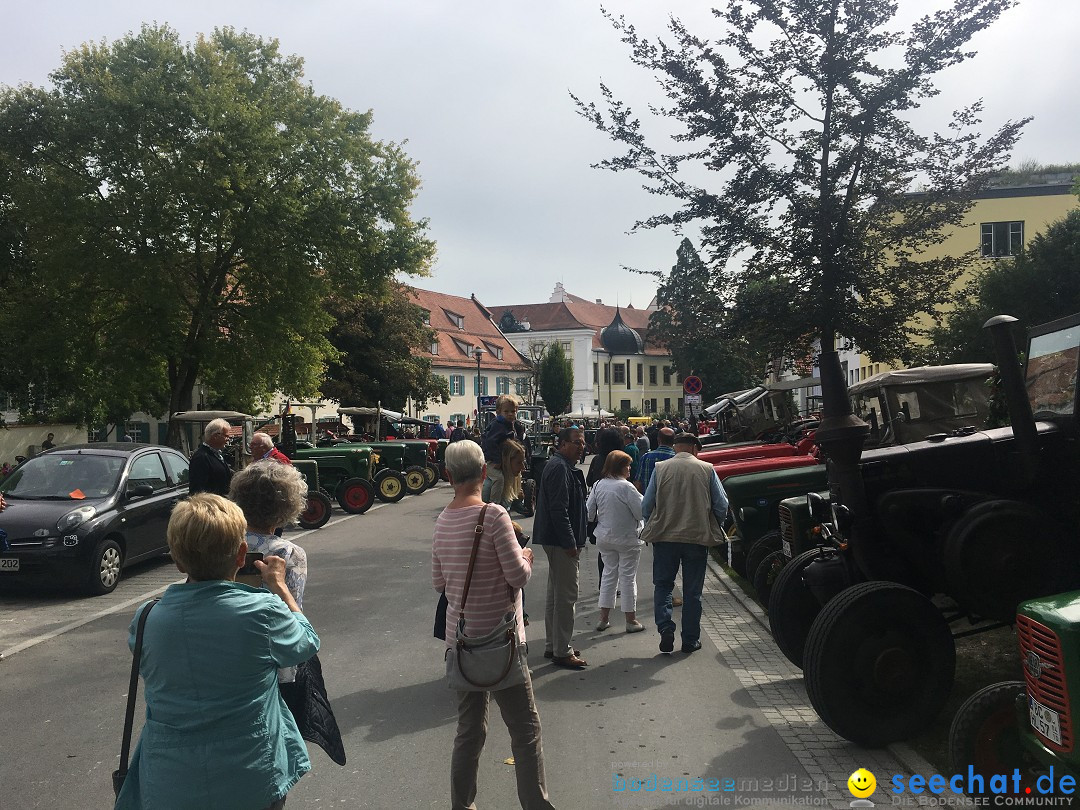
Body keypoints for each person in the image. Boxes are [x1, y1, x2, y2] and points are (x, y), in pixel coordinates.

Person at [113, 494, 319, 810]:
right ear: (241, 555)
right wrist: (279, 587)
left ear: (177, 560)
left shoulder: (146, 619)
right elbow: (305, 642)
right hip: (252, 775)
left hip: (170, 780)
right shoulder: (263, 611)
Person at [432, 441, 555, 810]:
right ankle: (536, 804)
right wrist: (527, 556)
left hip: (462, 641)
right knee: (525, 730)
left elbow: (439, 584)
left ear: (448, 476)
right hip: (501, 640)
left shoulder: (442, 521)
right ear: (484, 472)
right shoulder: (495, 515)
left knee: (469, 733)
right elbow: (517, 576)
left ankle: (462, 806)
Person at [641, 433, 728, 654]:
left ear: (676, 448)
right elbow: (722, 504)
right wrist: (713, 523)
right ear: (694, 449)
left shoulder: (660, 468)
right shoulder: (706, 469)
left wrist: (652, 522)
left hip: (665, 537)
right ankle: (690, 639)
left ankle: (665, 627)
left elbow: (646, 504)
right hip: (696, 537)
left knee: (663, 585)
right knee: (693, 592)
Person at [229, 461, 310, 672]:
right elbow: (293, 615)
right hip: (274, 662)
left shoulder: (225, 544)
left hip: (230, 656)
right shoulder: (289, 553)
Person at [533, 426, 589, 669]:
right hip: (560, 541)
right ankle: (562, 650)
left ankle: (554, 645)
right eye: (577, 442)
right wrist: (569, 542)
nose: (581, 446)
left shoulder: (560, 466)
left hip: (556, 539)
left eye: (583, 442)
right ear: (563, 444)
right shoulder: (559, 467)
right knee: (566, 596)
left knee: (556, 594)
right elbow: (559, 509)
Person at [586, 450, 645, 633]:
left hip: (604, 536)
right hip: (627, 538)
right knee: (628, 577)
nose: (630, 468)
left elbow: (589, 512)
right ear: (620, 467)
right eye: (627, 465)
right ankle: (631, 620)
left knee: (608, 576)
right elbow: (640, 512)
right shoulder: (626, 487)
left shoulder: (598, 484)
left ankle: (603, 618)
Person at [481, 395, 522, 504]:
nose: (510, 414)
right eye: (506, 411)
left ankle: (513, 498)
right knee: (498, 479)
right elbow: (491, 443)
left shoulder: (509, 425)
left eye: (513, 411)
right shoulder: (498, 426)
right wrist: (497, 460)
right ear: (498, 412)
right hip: (492, 461)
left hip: (501, 460)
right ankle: (494, 503)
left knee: (514, 475)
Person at [188, 418, 234, 496]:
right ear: (215, 436)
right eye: (226, 436)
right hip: (211, 505)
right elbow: (197, 490)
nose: (228, 439)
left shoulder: (216, 455)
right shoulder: (201, 457)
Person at [635, 427, 676, 494]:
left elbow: (638, 483)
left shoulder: (645, 457)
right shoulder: (676, 458)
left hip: (648, 501)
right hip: (669, 502)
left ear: (658, 439)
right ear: (674, 440)